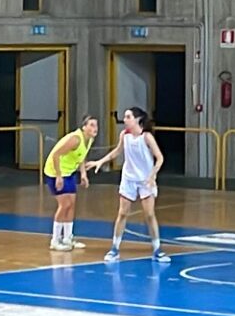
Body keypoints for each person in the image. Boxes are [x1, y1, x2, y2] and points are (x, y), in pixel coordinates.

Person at [89, 107, 170, 263]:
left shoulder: (146, 137)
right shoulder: (124, 135)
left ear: (137, 119)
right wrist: (100, 161)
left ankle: (157, 249)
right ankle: (114, 248)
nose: (124, 120)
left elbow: (160, 158)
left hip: (146, 179)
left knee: (149, 214)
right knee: (122, 213)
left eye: (128, 117)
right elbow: (117, 152)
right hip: (129, 179)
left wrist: (153, 175)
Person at [43, 115, 98, 251]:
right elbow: (56, 155)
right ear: (84, 127)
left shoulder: (89, 139)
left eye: (96, 125)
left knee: (72, 204)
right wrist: (59, 176)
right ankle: (55, 240)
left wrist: (83, 174)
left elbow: (81, 157)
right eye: (91, 125)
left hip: (69, 172)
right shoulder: (75, 139)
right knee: (65, 204)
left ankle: (68, 237)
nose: (94, 128)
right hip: (55, 172)